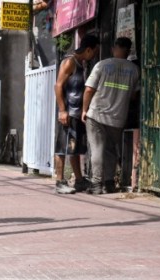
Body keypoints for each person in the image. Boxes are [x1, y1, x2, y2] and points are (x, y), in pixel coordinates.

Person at [82, 37, 139, 194]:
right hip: (118, 117)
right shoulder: (134, 70)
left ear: (114, 48)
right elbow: (134, 95)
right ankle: (109, 183)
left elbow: (88, 89)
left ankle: (96, 185)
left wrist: (84, 109)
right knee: (111, 150)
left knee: (97, 149)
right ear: (128, 51)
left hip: (97, 115)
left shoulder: (102, 65)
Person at [52, 34, 98, 194]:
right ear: (88, 50)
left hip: (77, 114)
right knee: (62, 147)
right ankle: (59, 181)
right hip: (68, 113)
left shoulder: (82, 64)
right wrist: (62, 110)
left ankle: (79, 180)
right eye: (94, 52)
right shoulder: (70, 62)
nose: (94, 55)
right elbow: (58, 86)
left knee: (74, 148)